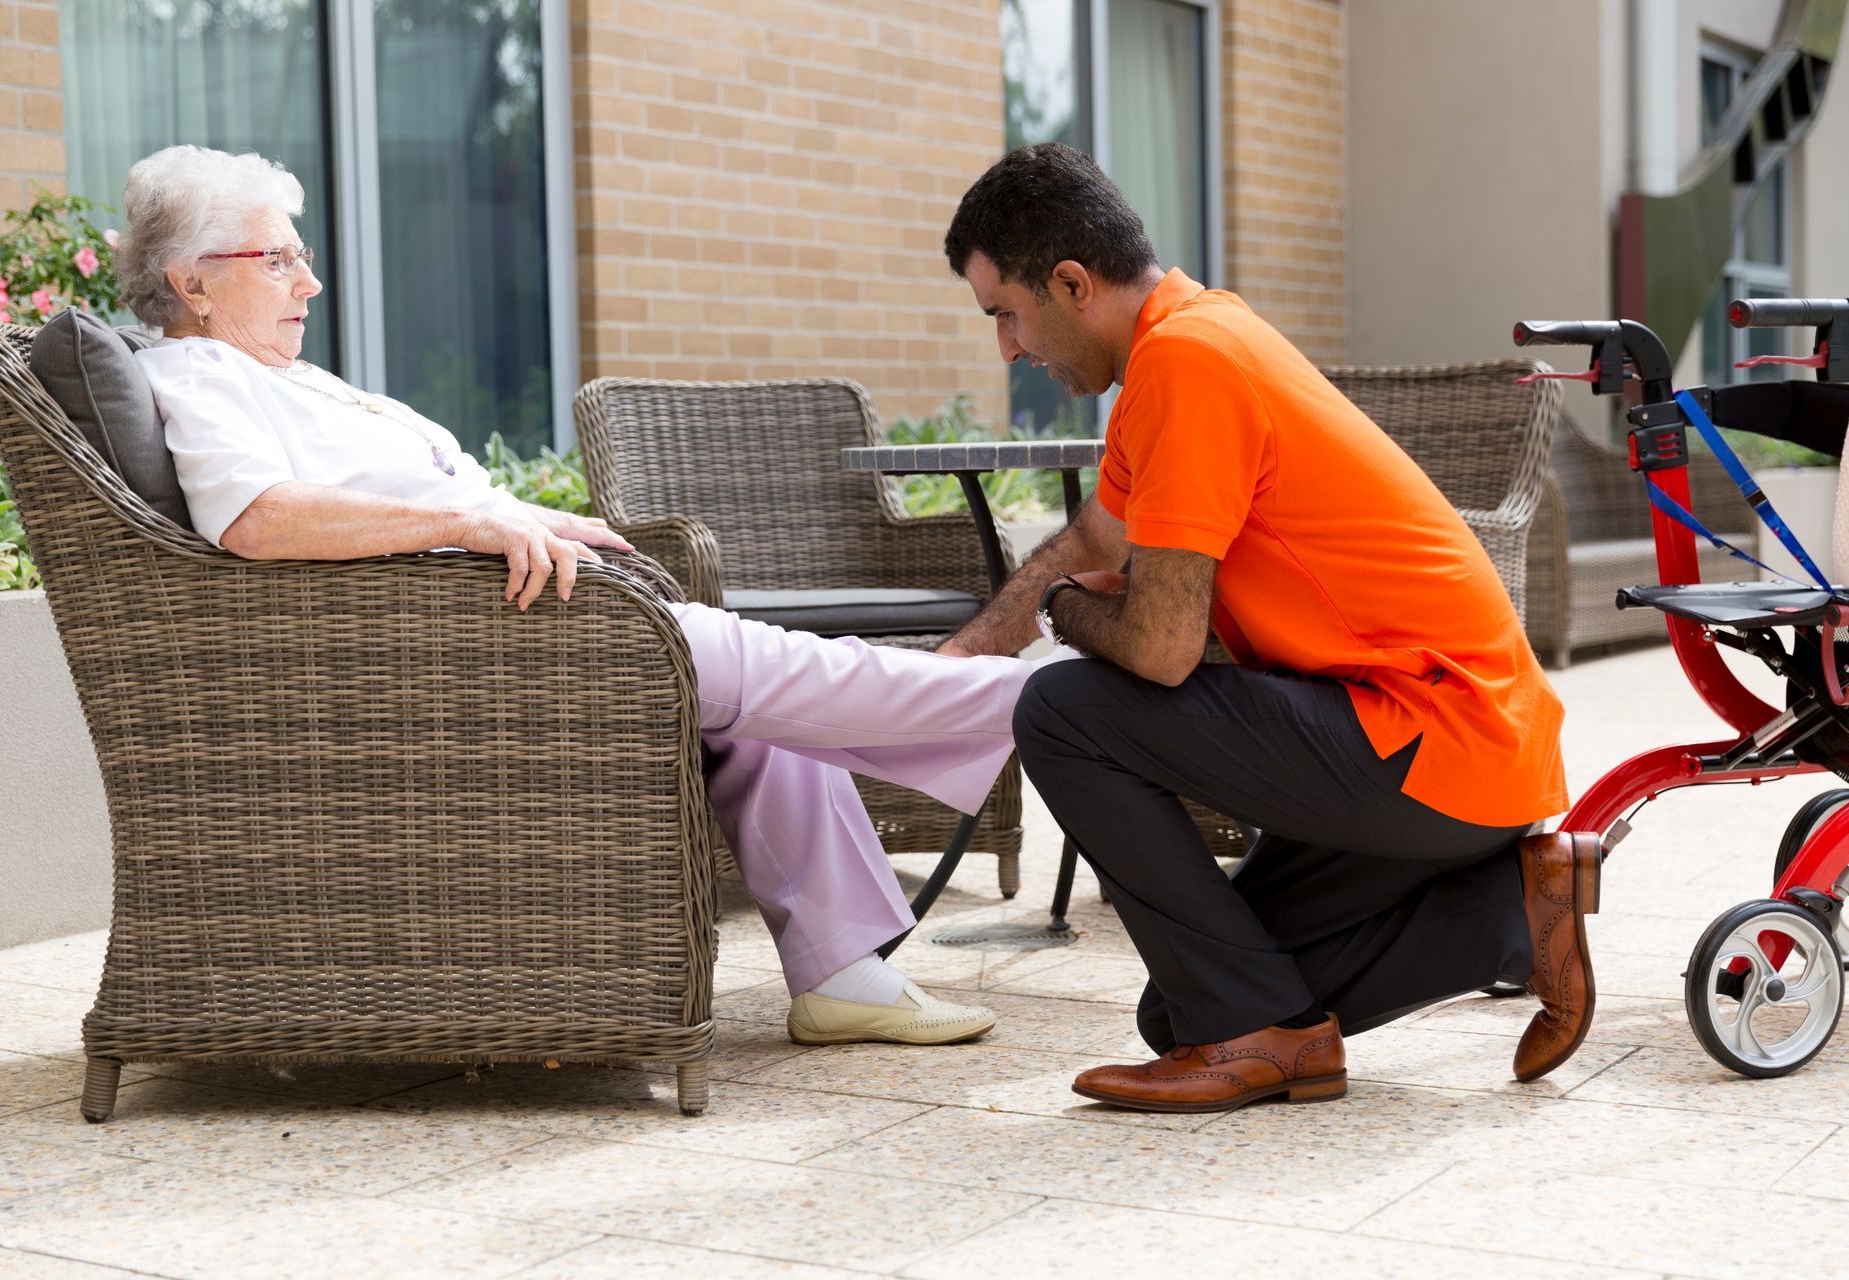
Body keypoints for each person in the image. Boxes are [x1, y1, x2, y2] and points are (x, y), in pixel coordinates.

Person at [113, 144, 1014, 1048]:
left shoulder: (284, 376)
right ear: (192, 284)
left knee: (771, 708)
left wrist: (525, 514)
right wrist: (472, 530)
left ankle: (844, 976)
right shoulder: (201, 375)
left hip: (515, 616)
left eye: (301, 255)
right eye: (278, 260)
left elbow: (423, 493)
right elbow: (259, 520)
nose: (308, 282)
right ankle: (1037, 702)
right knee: (801, 674)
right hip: (471, 642)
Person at [936, 142, 1590, 1114]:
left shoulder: (1189, 364)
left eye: (1005, 313)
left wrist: (1062, 615)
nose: (1007, 347)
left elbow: (1157, 650)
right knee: (1185, 1011)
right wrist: (964, 653)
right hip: (1460, 755)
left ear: (1071, 283)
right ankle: (1507, 912)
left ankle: (1268, 1037)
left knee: (1065, 708)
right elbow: (1092, 534)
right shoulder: (1190, 335)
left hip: (1431, 740)